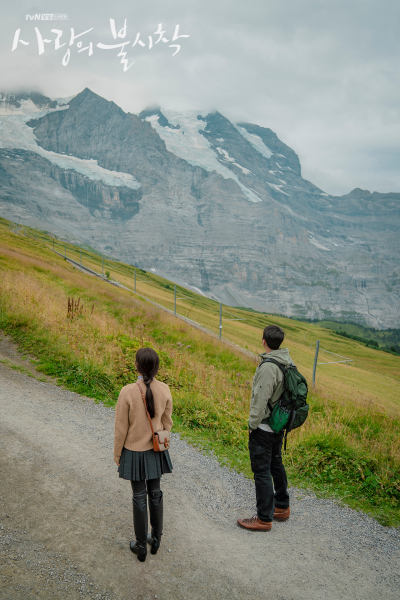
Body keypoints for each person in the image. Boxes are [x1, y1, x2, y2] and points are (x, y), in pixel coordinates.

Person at [114, 347, 173, 561]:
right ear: (157, 367)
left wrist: (117, 453)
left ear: (137, 365)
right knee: (155, 493)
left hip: (133, 450)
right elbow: (167, 422)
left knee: (139, 496)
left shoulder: (127, 391)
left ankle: (140, 546)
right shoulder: (165, 389)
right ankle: (156, 539)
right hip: (156, 450)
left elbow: (121, 428)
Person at [238, 324, 292, 531]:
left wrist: (252, 425)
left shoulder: (269, 366)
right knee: (276, 464)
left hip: (264, 426)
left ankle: (264, 518)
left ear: (263, 341)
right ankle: (282, 506)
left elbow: (261, 398)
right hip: (278, 425)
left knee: (261, 471)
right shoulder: (286, 361)